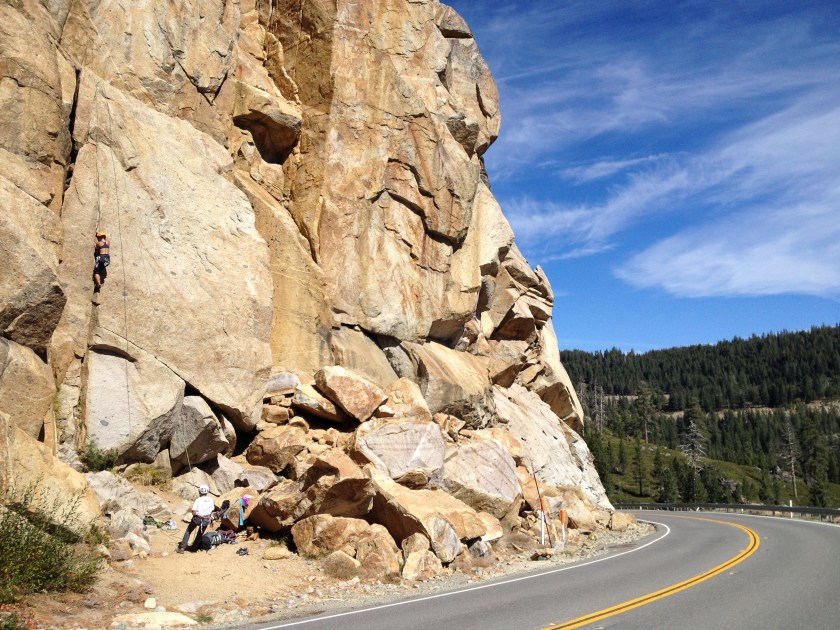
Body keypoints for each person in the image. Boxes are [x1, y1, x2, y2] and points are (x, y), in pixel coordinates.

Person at [177, 485, 216, 553]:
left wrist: (196, 513)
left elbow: (194, 512)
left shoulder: (198, 500)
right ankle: (194, 548)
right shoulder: (211, 500)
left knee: (188, 531)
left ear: (200, 491)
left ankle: (182, 548)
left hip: (197, 519)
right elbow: (212, 509)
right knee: (200, 534)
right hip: (206, 520)